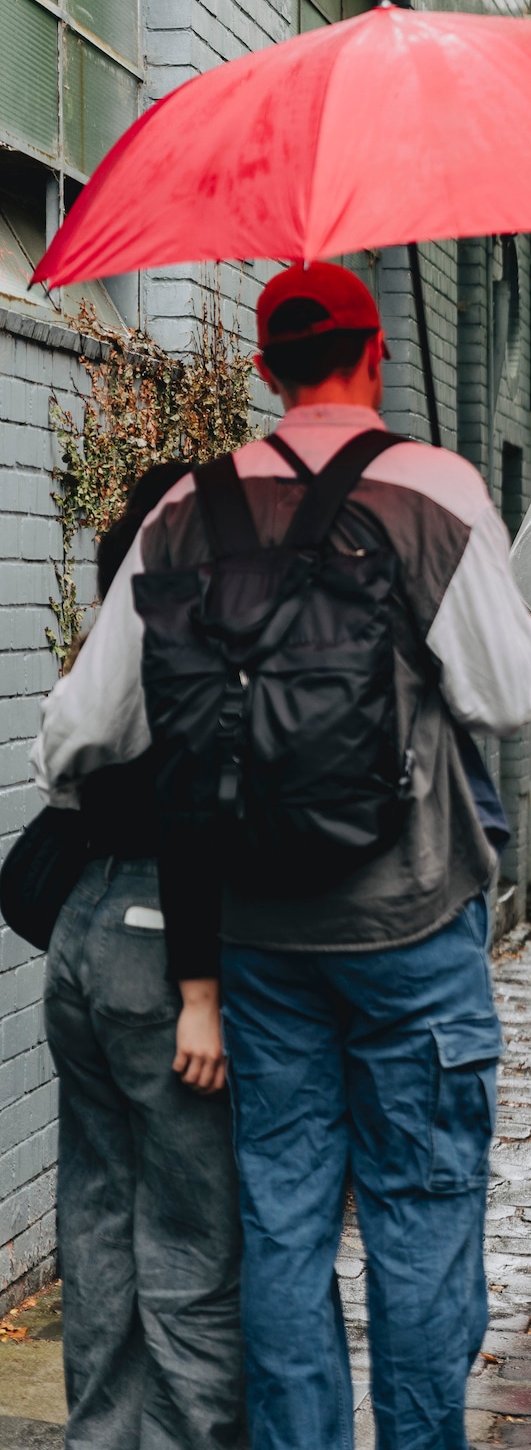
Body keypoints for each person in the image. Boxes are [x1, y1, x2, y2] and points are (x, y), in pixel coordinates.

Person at [33, 263, 531, 1450]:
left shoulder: (187, 514)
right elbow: (510, 690)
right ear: (375, 356)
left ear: (267, 371)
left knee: (281, 1227)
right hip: (413, 926)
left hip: (257, 940)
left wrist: (59, 780)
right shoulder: (436, 490)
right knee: (422, 1223)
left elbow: (90, 725)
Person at [40, 462, 248, 1450]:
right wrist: (200, 990)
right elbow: (203, 801)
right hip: (167, 935)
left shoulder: (111, 630)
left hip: (84, 922)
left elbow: (62, 757)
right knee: (191, 1238)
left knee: (96, 1222)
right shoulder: (205, 626)